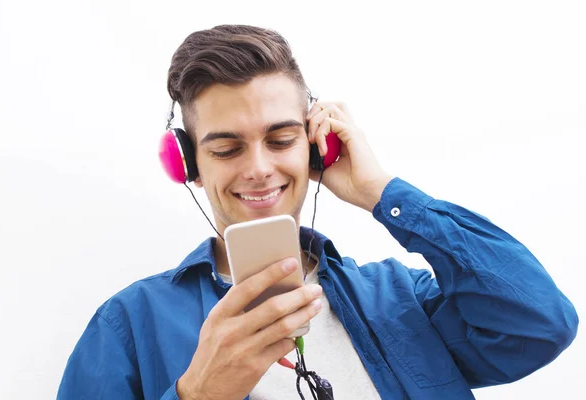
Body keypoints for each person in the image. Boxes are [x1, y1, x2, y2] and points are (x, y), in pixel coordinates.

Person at [57, 24, 578, 400]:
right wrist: (198, 395)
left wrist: (380, 190)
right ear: (188, 164)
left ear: (315, 147)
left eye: (281, 139)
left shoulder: (401, 301)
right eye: (226, 149)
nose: (259, 168)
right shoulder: (126, 325)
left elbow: (541, 324)